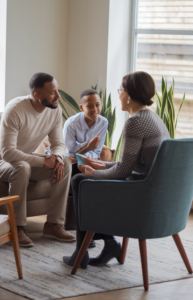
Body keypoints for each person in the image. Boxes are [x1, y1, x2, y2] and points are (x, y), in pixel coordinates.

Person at [63, 71, 170, 269]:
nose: (118, 94)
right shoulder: (153, 118)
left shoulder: (135, 122)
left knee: (80, 180)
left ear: (128, 95)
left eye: (120, 90)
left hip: (139, 192)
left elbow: (123, 172)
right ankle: (109, 244)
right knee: (87, 180)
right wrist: (103, 165)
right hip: (150, 188)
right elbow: (130, 165)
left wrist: (93, 173)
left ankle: (82, 250)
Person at [0, 72, 76, 248]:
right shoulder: (15, 109)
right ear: (37, 95)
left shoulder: (54, 110)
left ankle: (53, 224)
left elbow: (59, 144)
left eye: (57, 90)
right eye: (52, 92)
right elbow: (8, 153)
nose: (58, 96)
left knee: (64, 163)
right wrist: (43, 162)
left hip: (24, 160)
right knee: (22, 167)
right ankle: (17, 228)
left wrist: (56, 157)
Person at [63, 89, 108, 248]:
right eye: (90, 106)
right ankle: (86, 234)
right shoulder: (71, 124)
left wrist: (90, 158)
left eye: (97, 104)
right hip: (70, 162)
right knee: (82, 180)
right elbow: (69, 154)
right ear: (81, 108)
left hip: (89, 160)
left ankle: (97, 232)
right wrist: (87, 147)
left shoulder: (103, 122)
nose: (95, 109)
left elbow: (97, 151)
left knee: (104, 181)